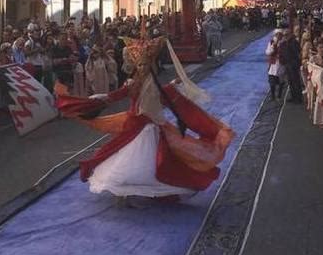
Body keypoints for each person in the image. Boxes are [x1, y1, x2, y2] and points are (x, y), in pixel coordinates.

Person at [57, 37, 234, 206]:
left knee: (153, 162)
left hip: (150, 127)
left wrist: (173, 85)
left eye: (145, 64)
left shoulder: (156, 86)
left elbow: (168, 98)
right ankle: (125, 192)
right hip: (133, 127)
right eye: (139, 64)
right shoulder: (131, 84)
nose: (142, 67)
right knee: (124, 159)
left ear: (150, 66)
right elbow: (115, 96)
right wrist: (97, 100)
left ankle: (147, 190)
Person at [279, 28, 303, 104]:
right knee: (290, 81)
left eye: (287, 35)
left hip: (293, 64)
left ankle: (298, 98)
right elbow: (282, 53)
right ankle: (293, 96)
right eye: (284, 35)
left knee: (296, 81)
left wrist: (297, 63)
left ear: (290, 34)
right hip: (287, 64)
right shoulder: (283, 43)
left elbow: (297, 53)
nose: (285, 36)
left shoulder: (294, 42)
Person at [265, 30, 284, 100]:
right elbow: (267, 52)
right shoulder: (271, 42)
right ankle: (272, 96)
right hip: (273, 64)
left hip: (281, 64)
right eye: (277, 35)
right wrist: (273, 47)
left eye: (280, 34)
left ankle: (279, 95)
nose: (278, 36)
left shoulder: (284, 43)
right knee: (272, 81)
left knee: (281, 81)